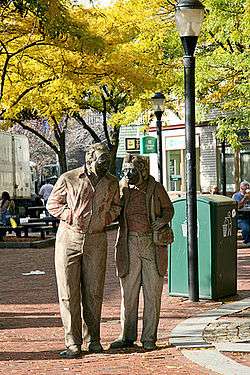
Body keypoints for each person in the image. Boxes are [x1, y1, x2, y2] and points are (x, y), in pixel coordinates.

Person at [47, 143, 120, 358]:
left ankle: (94, 339)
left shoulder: (111, 182)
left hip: (96, 240)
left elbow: (117, 206)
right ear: (89, 159)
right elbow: (53, 203)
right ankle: (72, 343)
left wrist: (106, 218)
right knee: (69, 293)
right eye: (102, 160)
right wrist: (70, 215)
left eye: (108, 161)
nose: (106, 164)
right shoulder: (69, 178)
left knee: (94, 292)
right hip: (68, 239)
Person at [110, 154, 174, 351]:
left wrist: (162, 221)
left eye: (133, 171)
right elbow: (113, 211)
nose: (128, 175)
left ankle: (149, 337)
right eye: (126, 171)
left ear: (143, 172)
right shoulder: (122, 188)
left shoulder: (155, 187)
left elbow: (168, 209)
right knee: (128, 292)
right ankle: (127, 336)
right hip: (129, 243)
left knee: (152, 293)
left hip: (151, 243)